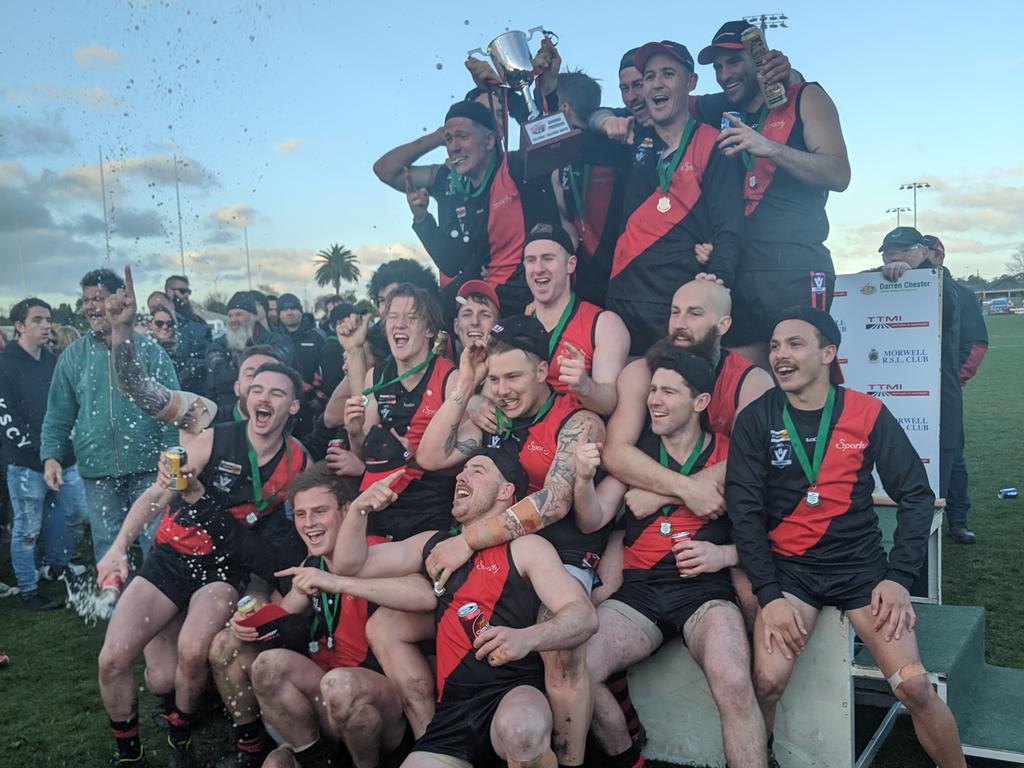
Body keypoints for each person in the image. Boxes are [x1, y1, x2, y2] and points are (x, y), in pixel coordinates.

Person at [726, 306, 966, 768]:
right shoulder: (757, 419)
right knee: (766, 682)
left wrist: (899, 578)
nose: (780, 355)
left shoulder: (866, 411)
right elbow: (745, 514)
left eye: (795, 344)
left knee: (914, 685)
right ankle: (763, 755)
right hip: (790, 574)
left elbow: (917, 495)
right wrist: (769, 595)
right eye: (775, 346)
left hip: (861, 571)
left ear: (828, 352)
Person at [96, 361, 308, 768]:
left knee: (194, 652)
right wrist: (119, 546)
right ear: (246, 397)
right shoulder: (215, 439)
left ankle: (180, 737)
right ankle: (129, 756)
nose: (264, 398)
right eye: (258, 390)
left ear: (294, 407)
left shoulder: (298, 461)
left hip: (222, 567)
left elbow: (299, 524)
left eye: (277, 393)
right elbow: (157, 495)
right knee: (114, 660)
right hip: (171, 557)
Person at [416, 316, 606, 768]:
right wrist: (466, 384)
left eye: (513, 376)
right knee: (389, 625)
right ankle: (436, 739)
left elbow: (557, 501)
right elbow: (430, 456)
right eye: (496, 378)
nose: (502, 389)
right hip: (488, 551)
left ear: (542, 372)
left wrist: (469, 539)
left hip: (557, 550)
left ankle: (568, 759)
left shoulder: (578, 420)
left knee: (562, 647)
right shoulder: (490, 413)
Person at [332, 448, 598, 768]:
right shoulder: (434, 544)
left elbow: (583, 616)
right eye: (461, 471)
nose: (461, 476)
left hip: (513, 694)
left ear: (505, 491)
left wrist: (526, 637)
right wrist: (359, 509)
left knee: (522, 732)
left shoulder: (526, 548)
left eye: (477, 470)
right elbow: (350, 565)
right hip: (452, 713)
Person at [576, 348, 765, 767]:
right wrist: (583, 481)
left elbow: (771, 531)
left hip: (706, 591)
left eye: (668, 392)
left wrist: (723, 554)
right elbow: (593, 519)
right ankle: (629, 758)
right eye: (653, 390)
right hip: (640, 593)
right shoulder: (635, 454)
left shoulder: (730, 452)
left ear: (700, 402)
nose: (654, 400)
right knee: (576, 668)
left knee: (733, 678)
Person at [207, 464, 421, 768]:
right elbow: (284, 611)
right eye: (301, 514)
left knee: (340, 686)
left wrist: (345, 583)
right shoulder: (313, 562)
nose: (309, 523)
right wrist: (251, 621)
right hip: (326, 689)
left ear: (347, 511)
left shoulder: (377, 553)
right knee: (257, 659)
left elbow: (424, 594)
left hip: (376, 703)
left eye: (319, 511)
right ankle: (311, 758)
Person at [695, 20, 850, 369]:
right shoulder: (721, 107)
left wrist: (770, 148)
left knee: (802, 383)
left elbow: (839, 174)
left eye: (733, 62)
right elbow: (667, 108)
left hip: (795, 268)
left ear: (758, 57)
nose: (723, 74)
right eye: (717, 67)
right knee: (743, 388)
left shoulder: (805, 96)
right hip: (740, 270)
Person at [606, 41, 744, 355]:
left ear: (691, 83)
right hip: (622, 298)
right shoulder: (630, 136)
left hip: (675, 306)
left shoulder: (713, 143)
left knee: (673, 399)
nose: (656, 83)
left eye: (668, 73)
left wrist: (717, 279)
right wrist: (602, 120)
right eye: (649, 76)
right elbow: (575, 121)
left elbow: (730, 228)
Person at [40, 268, 179, 564]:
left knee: (156, 541)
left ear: (119, 300)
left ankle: (161, 604)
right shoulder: (73, 356)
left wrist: (170, 454)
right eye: (86, 300)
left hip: (149, 467)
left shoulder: (150, 352)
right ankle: (114, 605)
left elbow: (173, 407)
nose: (92, 306)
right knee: (107, 543)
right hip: (97, 468)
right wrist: (51, 455)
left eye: (99, 298)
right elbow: (58, 412)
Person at [373, 100, 560, 320]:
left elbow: (551, 137)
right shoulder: (450, 183)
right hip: (484, 302)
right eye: (450, 140)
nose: (453, 147)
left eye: (462, 136)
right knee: (435, 316)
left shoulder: (515, 167)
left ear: (490, 140)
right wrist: (423, 219)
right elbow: (384, 170)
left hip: (528, 301)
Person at [333, 284, 458, 542]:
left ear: (429, 330)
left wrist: (411, 456)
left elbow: (458, 457)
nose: (399, 324)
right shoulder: (376, 376)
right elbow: (365, 455)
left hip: (430, 505)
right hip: (381, 499)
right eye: (392, 317)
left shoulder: (450, 378)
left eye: (411, 318)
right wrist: (354, 432)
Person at [0, 298, 88, 610]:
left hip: (66, 458)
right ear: (19, 326)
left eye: (48, 319)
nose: (46, 325)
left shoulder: (53, 361)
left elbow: (71, 404)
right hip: (25, 463)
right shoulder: (5, 365)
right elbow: (6, 419)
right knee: (27, 527)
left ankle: (56, 565)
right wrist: (44, 449)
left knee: (75, 513)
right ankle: (28, 589)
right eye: (37, 319)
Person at [877, 227, 962, 500]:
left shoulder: (941, 283)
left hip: (936, 402)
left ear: (924, 253)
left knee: (936, 483)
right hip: (894, 399)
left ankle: (948, 528)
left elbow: (946, 307)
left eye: (904, 251)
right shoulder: (878, 279)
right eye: (890, 253)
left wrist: (914, 274)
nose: (895, 258)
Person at [520, 223, 629, 417]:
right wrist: (476, 402)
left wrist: (584, 385)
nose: (538, 268)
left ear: (570, 264)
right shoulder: (520, 323)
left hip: (570, 430)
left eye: (548, 259)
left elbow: (608, 403)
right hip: (523, 432)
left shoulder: (604, 324)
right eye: (531, 260)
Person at [925, 235, 985, 544]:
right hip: (913, 393)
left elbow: (975, 344)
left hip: (946, 393)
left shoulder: (962, 294)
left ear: (939, 256)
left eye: (929, 251)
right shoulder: (895, 288)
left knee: (954, 458)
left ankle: (958, 519)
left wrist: (956, 379)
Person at [207, 291, 297, 417]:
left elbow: (274, 374)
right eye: (230, 315)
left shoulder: (277, 341)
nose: (234, 320)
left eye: (239, 314)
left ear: (253, 316)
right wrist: (252, 373)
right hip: (230, 415)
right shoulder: (218, 345)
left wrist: (234, 368)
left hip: (269, 412)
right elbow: (219, 377)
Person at [276, 293, 326, 438]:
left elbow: (326, 370)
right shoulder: (274, 339)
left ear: (301, 311)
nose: (289, 312)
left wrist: (317, 397)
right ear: (279, 314)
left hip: (312, 403)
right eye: (284, 310)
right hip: (283, 403)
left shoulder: (317, 336)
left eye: (293, 308)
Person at [165, 275, 212, 393]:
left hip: (196, 388)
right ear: (169, 292)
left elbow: (208, 356)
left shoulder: (199, 323)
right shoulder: (159, 322)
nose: (186, 295)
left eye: (188, 291)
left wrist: (193, 367)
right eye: (182, 291)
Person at [149, 305, 205, 394]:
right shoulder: (146, 349)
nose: (165, 327)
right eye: (159, 323)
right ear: (150, 324)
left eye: (169, 323)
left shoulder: (183, 348)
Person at [452, 279, 499, 357]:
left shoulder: (515, 366)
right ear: (456, 326)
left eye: (485, 315)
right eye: (467, 315)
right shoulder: (443, 368)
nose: (475, 322)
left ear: (498, 325)